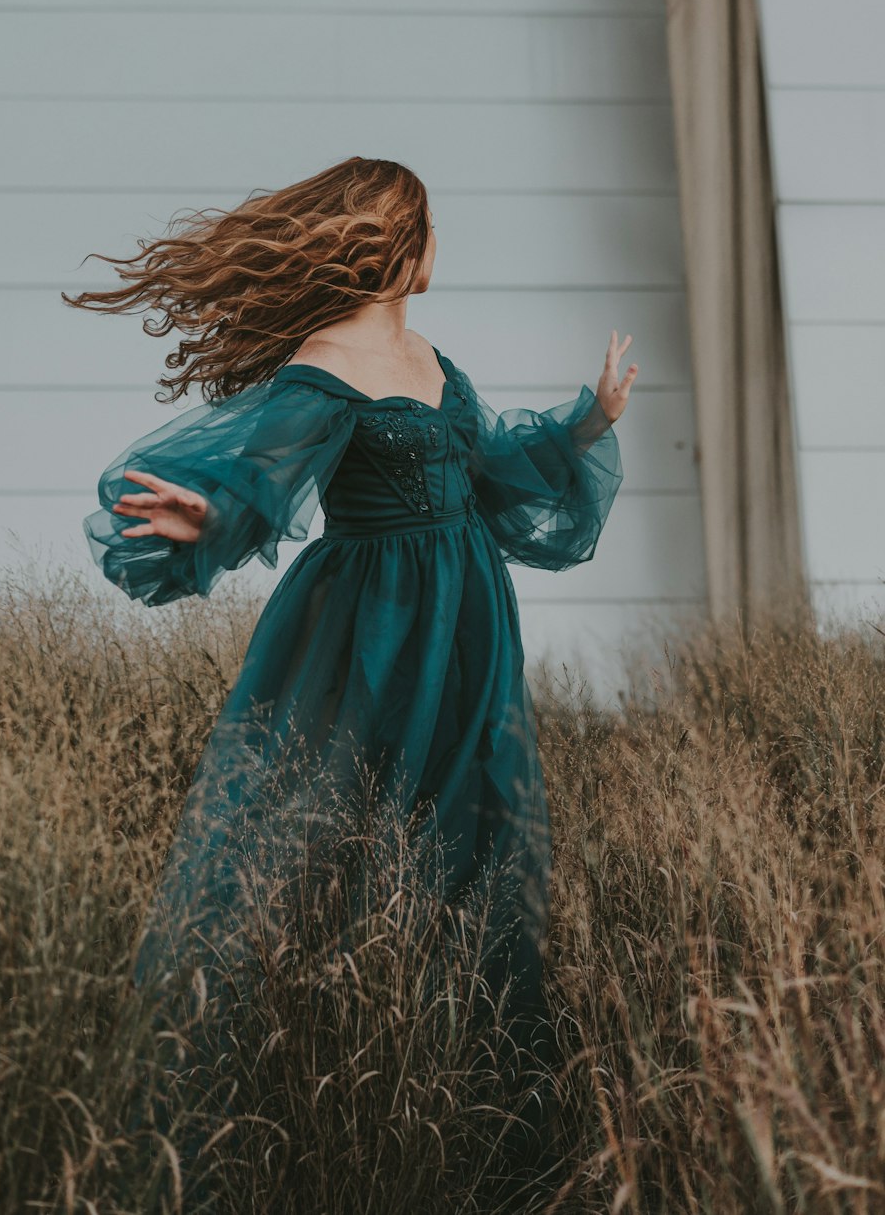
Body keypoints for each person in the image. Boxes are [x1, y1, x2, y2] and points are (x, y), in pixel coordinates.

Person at [65, 155, 635, 1185]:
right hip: (371, 624)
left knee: (474, 828)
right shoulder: (321, 365)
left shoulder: (432, 360)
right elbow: (258, 476)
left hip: (467, 622)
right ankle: (319, 1089)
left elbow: (493, 476)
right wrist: (210, 516)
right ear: (392, 244)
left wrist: (587, 420)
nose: (434, 246)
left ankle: (463, 1095)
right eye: (426, 226)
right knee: (344, 823)